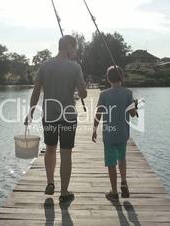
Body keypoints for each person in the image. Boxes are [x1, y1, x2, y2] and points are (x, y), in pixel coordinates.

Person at [25, 35, 87, 203]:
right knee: (66, 153)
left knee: (50, 148)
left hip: (50, 116)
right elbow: (83, 94)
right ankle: (64, 192)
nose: (76, 51)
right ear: (68, 47)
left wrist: (30, 112)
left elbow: (36, 91)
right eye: (75, 48)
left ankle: (50, 183)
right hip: (68, 117)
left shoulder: (44, 66)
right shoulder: (75, 68)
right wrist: (79, 87)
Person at [92, 65, 137, 201]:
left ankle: (114, 191)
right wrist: (134, 106)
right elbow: (133, 114)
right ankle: (123, 181)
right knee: (122, 158)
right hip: (123, 134)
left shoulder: (104, 94)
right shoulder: (128, 93)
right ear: (122, 78)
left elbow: (98, 113)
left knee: (111, 163)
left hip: (109, 134)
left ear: (108, 79)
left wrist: (94, 129)